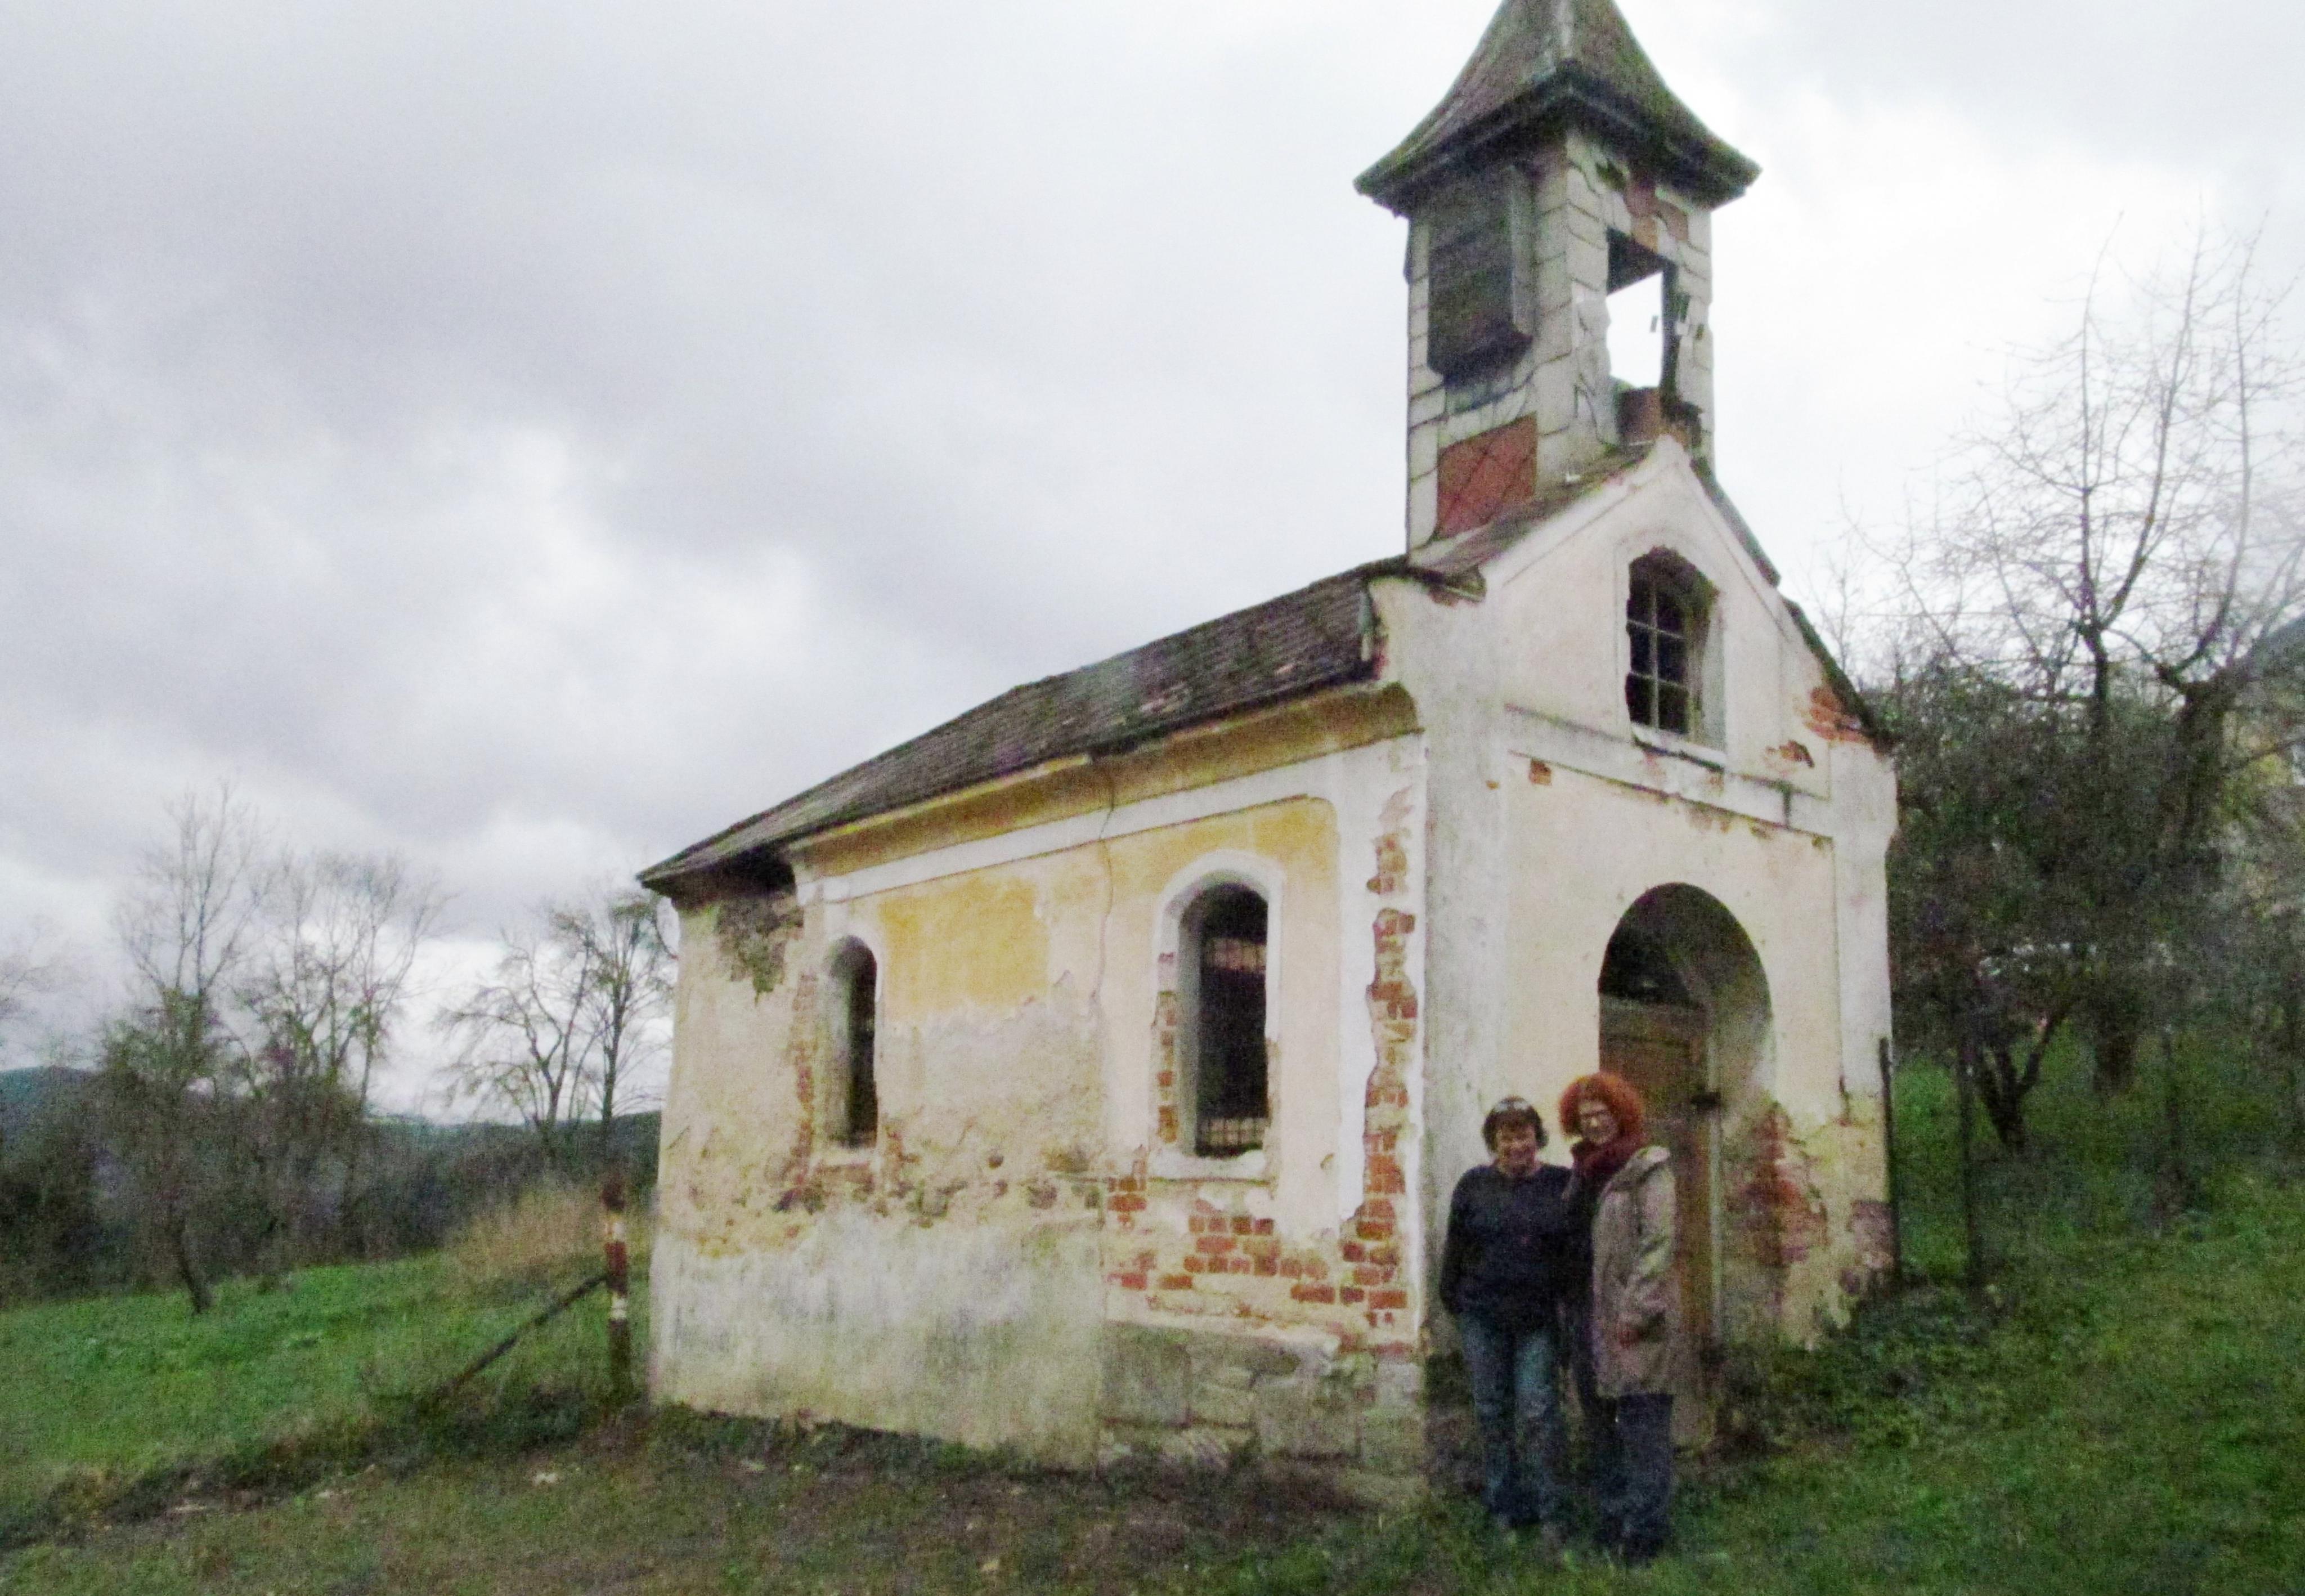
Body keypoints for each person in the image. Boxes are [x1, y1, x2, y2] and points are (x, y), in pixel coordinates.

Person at [1438, 1095, 1580, 1543]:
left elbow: (1574, 1253)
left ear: (1537, 1137)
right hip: (1482, 1318)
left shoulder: (1561, 1184)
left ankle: (1551, 1512)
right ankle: (1505, 1509)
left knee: (1539, 1411)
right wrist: (1457, 1302)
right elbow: (1455, 1250)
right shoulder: (1474, 1186)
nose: (1515, 1144)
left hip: (1538, 1319)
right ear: (1493, 1141)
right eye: (1506, 1135)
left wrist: (1569, 1308)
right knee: (1492, 1412)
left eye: (1523, 1134)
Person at [1559, 1072, 1680, 1566]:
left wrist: (1636, 1311)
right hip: (1586, 1313)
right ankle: (1612, 1521)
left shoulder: (1649, 1169)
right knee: (1599, 1423)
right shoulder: (1581, 1171)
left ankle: (1646, 1533)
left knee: (1642, 1421)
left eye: (1602, 1114)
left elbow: (1659, 1246)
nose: (1594, 1124)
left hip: (1631, 1316)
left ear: (1621, 1114)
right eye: (1585, 1116)